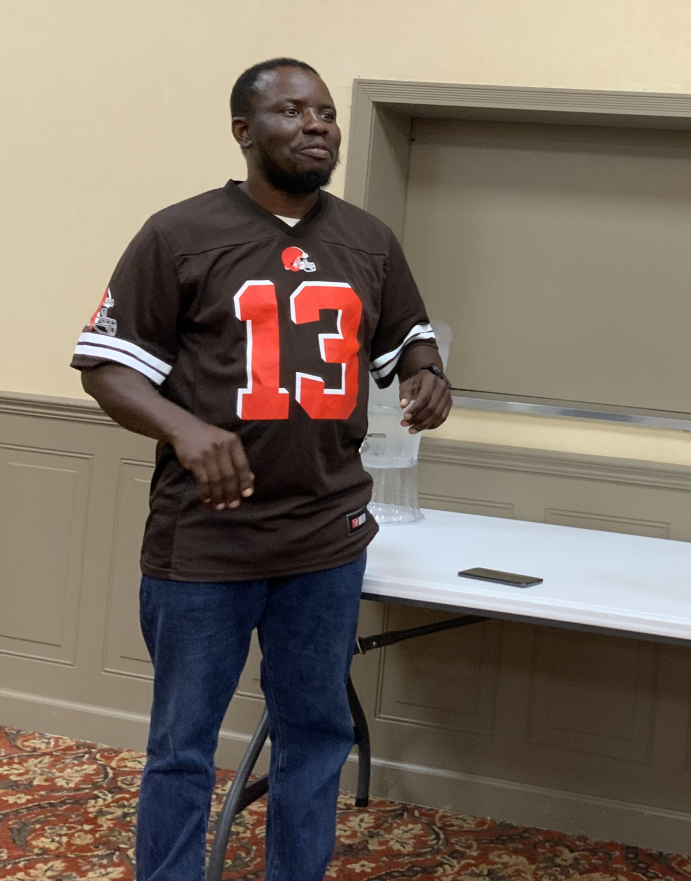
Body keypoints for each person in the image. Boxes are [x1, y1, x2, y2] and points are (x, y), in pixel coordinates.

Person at [71, 58, 453, 881]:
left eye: (326, 113)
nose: (317, 124)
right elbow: (105, 367)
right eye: (292, 111)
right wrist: (183, 428)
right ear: (244, 132)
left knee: (317, 734)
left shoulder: (368, 240)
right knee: (183, 745)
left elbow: (410, 340)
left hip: (325, 539)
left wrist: (428, 374)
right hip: (206, 543)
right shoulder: (179, 234)